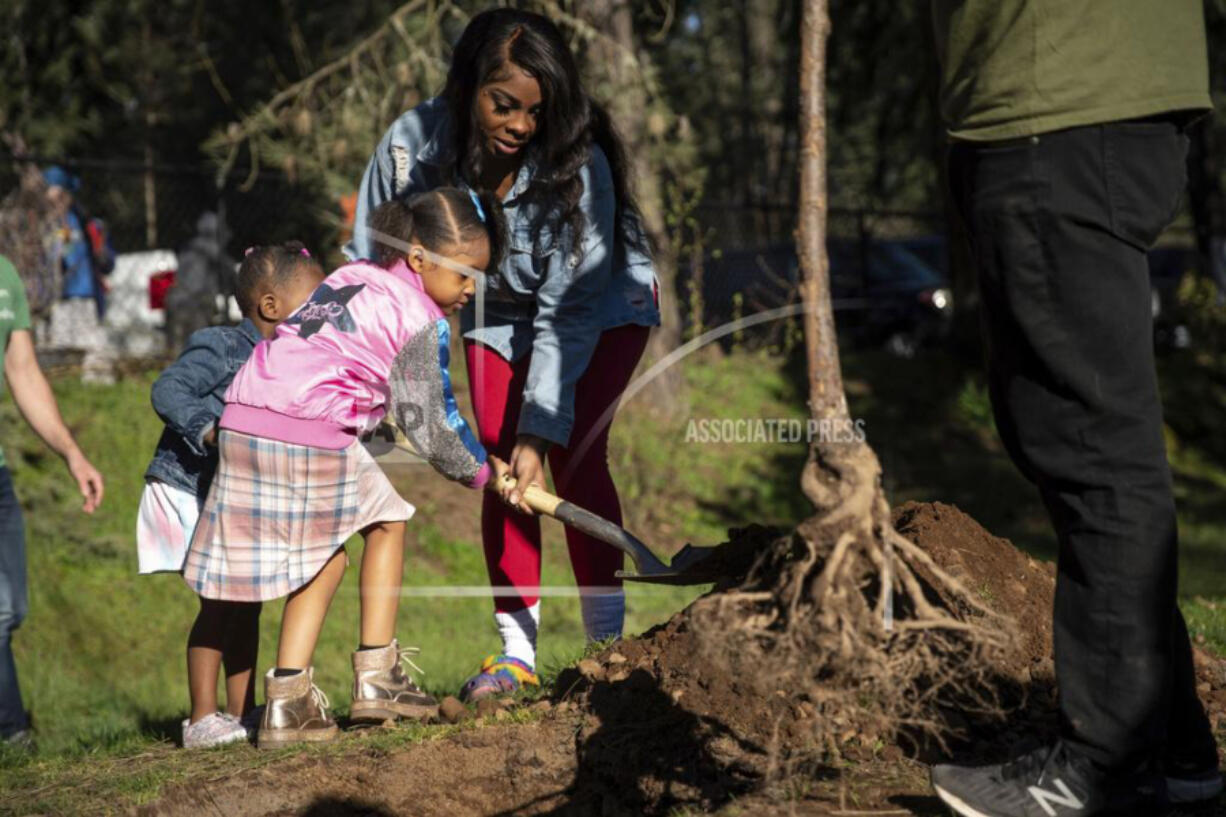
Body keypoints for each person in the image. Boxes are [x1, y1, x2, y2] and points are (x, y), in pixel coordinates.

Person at [929, 2, 1220, 815]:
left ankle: (1105, 764)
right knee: (1069, 437)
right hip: (1058, 110)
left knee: (1096, 448)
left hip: (1060, 109)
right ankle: (1173, 747)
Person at [347, 8, 661, 701]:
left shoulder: (579, 165)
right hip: (493, 307)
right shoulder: (415, 147)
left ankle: (606, 647)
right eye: (504, 104)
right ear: (466, 89)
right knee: (501, 458)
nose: (522, 126)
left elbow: (570, 304)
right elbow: (373, 264)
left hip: (602, 303)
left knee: (572, 449)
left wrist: (540, 426)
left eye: (537, 111)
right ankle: (516, 654)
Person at [183, 188, 501, 749]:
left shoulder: (350, 278)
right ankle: (368, 681)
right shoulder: (418, 317)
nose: (471, 288)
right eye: (464, 273)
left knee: (357, 536)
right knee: (370, 533)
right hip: (306, 432)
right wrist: (483, 474)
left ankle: (294, 699)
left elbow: (326, 358)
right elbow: (431, 425)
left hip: (243, 417)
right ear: (420, 256)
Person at [140, 242, 324, 749]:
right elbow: (169, 389)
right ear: (270, 306)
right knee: (220, 602)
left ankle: (241, 715)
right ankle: (201, 719)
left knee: (248, 603)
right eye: (313, 302)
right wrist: (209, 429)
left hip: (236, 495)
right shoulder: (223, 346)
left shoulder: (292, 363)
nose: (323, 314)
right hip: (193, 487)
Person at [0, 252, 104, 748]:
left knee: (12, 609)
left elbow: (22, 371)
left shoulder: (4, 275)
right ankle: (12, 731)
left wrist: (71, 454)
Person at [42, 166, 115, 384]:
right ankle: (66, 387)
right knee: (63, 352)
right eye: (51, 198)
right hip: (58, 299)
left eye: (61, 196)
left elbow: (107, 262)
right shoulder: (43, 225)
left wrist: (103, 254)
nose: (57, 203)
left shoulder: (87, 224)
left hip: (86, 296)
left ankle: (96, 389)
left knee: (94, 350)